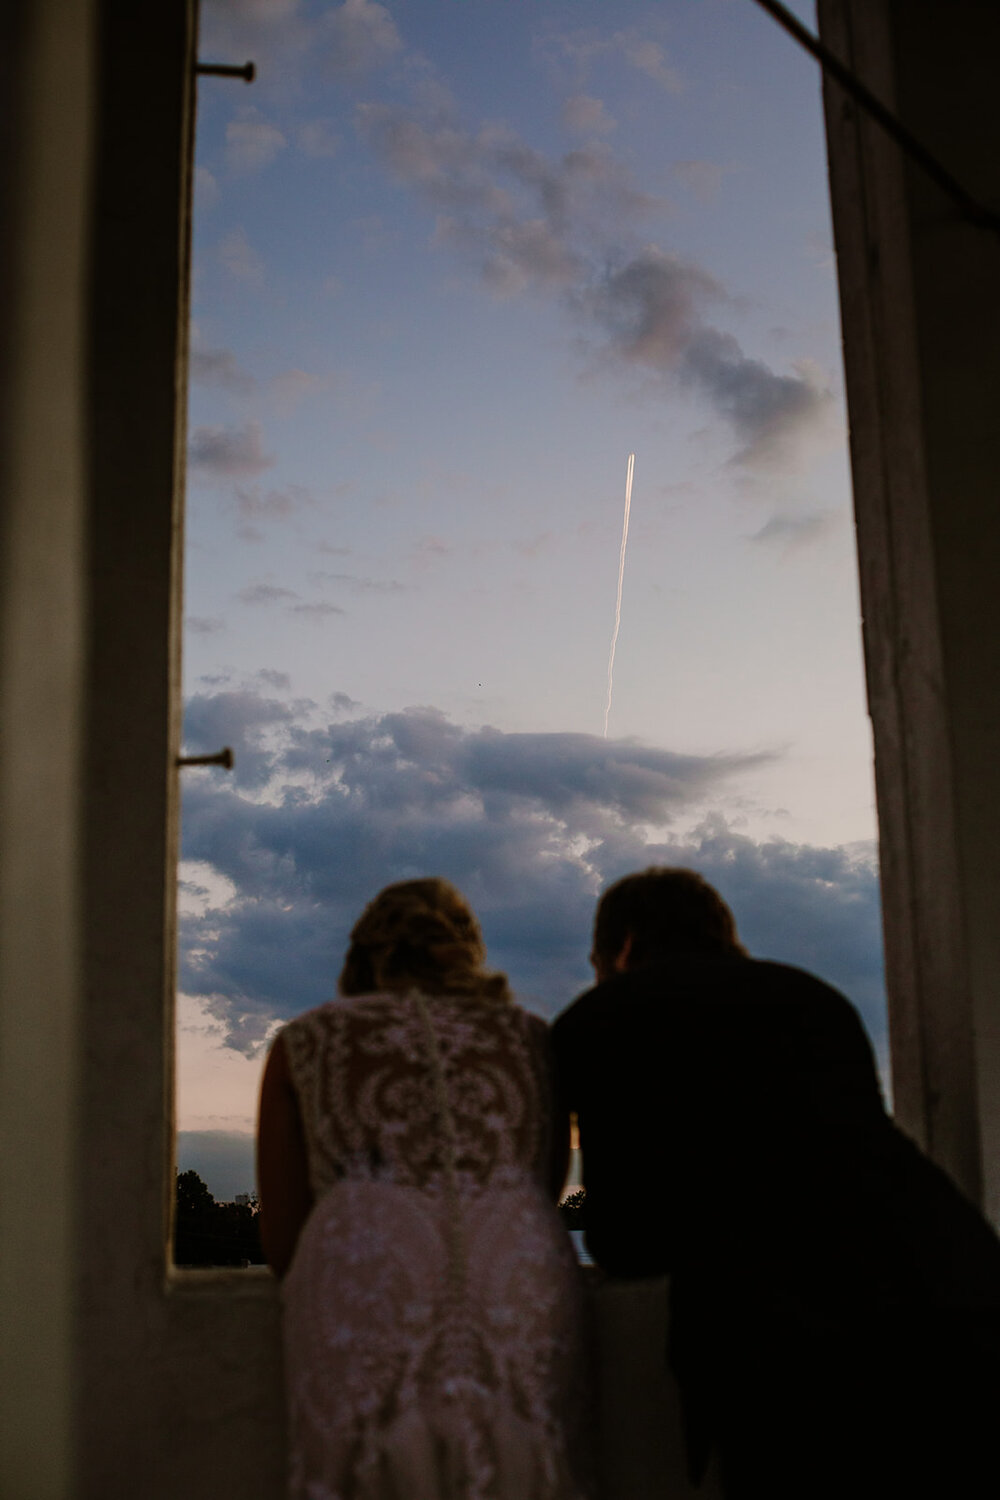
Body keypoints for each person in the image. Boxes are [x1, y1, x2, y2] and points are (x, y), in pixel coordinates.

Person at [552, 867, 1000, 1500]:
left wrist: (575, 1208)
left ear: (622, 948)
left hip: (786, 1352)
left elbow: (625, 1240)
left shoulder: (597, 1022)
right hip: (955, 1289)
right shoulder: (812, 998)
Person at [257, 877, 593, 1500]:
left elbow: (282, 1243)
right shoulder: (531, 1037)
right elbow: (542, 1186)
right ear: (467, 950)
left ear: (360, 955)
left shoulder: (304, 1040)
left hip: (363, 1274)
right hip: (516, 1274)